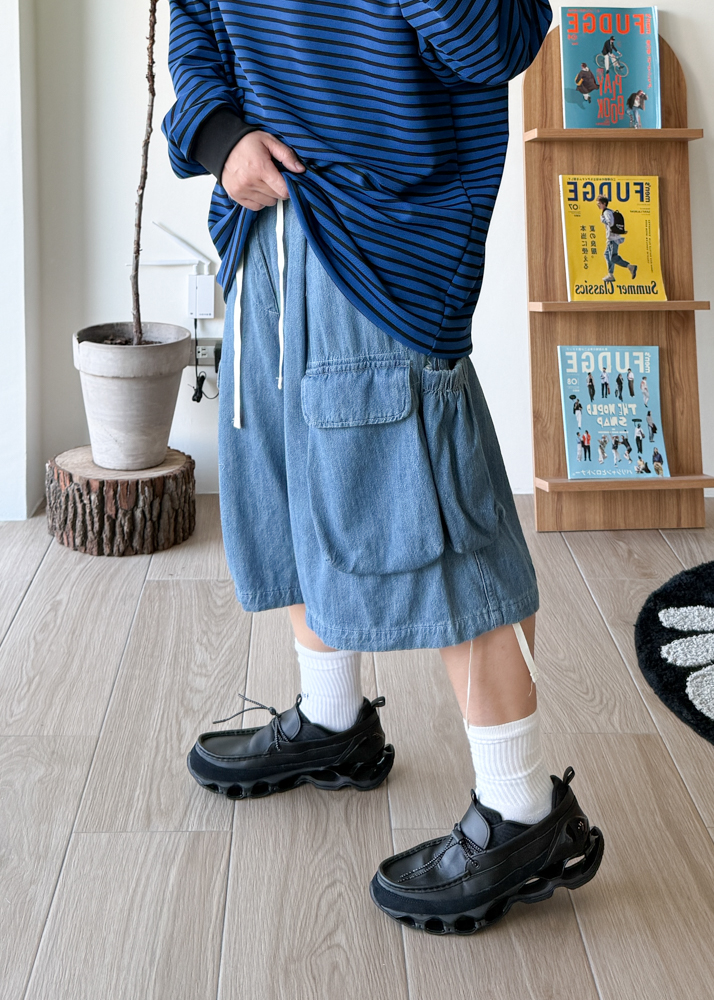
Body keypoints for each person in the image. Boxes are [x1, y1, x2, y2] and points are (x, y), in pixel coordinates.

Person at [163, 0, 602, 937]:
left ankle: (523, 808)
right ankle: (333, 722)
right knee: (287, 480)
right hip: (260, 225)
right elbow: (193, 20)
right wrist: (220, 139)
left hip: (388, 237)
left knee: (435, 516)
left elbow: (497, 42)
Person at [597, 196, 637, 284]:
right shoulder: (609, 211)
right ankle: (610, 274)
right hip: (613, 238)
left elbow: (610, 223)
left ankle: (630, 267)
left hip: (613, 238)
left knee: (613, 257)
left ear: (604, 204)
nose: (598, 205)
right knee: (607, 255)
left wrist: (603, 220)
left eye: (599, 203)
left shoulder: (607, 212)